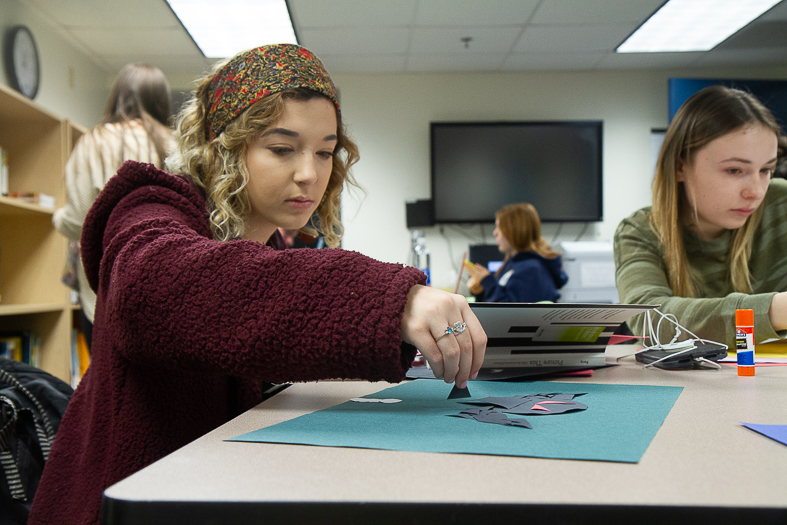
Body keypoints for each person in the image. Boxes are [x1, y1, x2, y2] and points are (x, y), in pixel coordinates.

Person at [28, 44, 486, 524]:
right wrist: (392, 301)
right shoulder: (151, 209)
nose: (310, 174)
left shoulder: (277, 251)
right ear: (222, 147)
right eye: (281, 148)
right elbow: (155, 290)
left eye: (326, 152)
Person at [614, 85, 786, 350]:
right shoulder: (640, 232)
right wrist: (774, 310)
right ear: (681, 166)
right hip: (686, 389)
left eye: (766, 170)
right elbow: (651, 322)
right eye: (734, 170)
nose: (756, 192)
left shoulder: (781, 203)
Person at [53, 63, 173, 348]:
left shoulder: (95, 140)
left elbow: (79, 221)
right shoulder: (178, 144)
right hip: (167, 286)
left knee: (109, 385)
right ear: (161, 99)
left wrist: (57, 218)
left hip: (105, 291)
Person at [465, 203, 568, 303]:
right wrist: (481, 292)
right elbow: (504, 300)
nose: (495, 233)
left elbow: (511, 314)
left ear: (514, 230)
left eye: (499, 227)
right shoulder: (514, 263)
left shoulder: (532, 269)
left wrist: (487, 281)